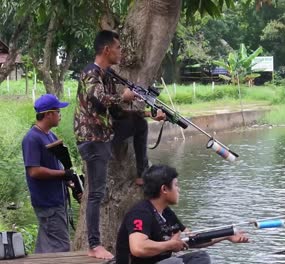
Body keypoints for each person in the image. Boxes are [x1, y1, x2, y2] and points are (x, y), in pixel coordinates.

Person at [74, 30, 136, 259]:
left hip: (101, 137)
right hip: (91, 138)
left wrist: (149, 112)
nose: (121, 52)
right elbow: (97, 97)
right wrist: (124, 97)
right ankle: (94, 246)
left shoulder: (106, 74)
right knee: (96, 193)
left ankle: (95, 244)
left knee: (98, 192)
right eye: (118, 48)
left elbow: (116, 110)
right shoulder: (92, 72)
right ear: (107, 49)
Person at [115, 165, 249, 264]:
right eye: (176, 185)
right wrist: (170, 245)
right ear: (164, 189)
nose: (179, 189)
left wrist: (226, 235)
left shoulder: (167, 213)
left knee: (200, 258)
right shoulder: (141, 213)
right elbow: (138, 248)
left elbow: (192, 240)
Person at [22, 94, 75, 253]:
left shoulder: (50, 136)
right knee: (61, 247)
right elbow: (34, 171)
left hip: (57, 200)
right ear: (48, 114)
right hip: (48, 203)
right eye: (58, 111)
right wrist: (62, 174)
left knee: (45, 248)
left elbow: (55, 166)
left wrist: (69, 181)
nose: (60, 115)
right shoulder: (32, 139)